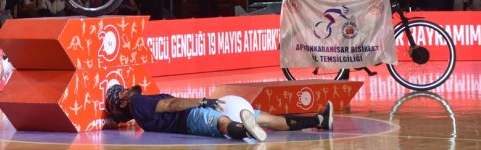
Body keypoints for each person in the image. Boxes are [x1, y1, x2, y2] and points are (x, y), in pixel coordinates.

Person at [105, 84, 333, 142]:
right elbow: (170, 105)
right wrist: (203, 100)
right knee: (221, 122)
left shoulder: (141, 116)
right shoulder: (138, 104)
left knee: (265, 119)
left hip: (192, 115)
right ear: (123, 103)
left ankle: (320, 119)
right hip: (191, 116)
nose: (126, 90)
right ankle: (247, 130)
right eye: (121, 92)